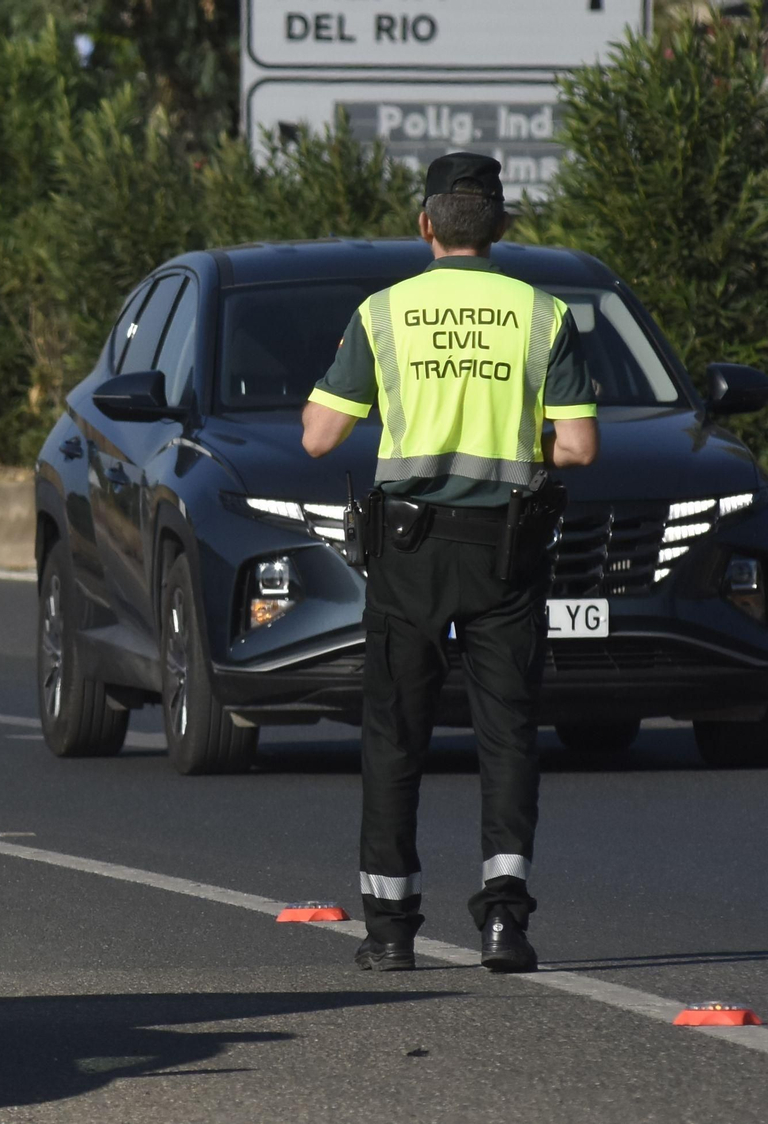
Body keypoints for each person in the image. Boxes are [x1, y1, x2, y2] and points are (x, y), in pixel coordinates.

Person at [300, 152, 599, 973]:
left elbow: (319, 437)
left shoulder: (384, 313)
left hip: (409, 548)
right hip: (506, 549)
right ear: (501, 228)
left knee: (396, 735)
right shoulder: (543, 315)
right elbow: (577, 446)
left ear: (425, 225)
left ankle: (390, 930)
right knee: (507, 733)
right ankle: (505, 920)